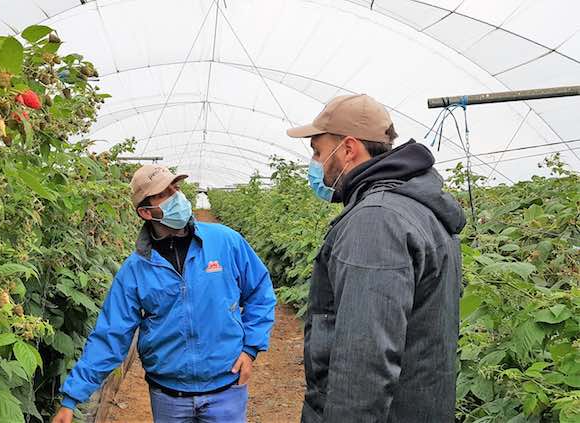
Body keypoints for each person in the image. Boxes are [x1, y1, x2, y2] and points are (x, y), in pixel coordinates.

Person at [286, 94, 466, 422]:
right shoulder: (417, 208)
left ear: (349, 148)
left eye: (317, 151)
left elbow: (363, 365)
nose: (314, 163)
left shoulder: (376, 219)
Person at [52, 165, 276, 423]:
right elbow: (110, 335)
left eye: (175, 188)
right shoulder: (135, 270)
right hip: (169, 396)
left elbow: (260, 290)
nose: (177, 196)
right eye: (164, 193)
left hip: (225, 388)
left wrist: (250, 349)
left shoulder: (225, 241)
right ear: (146, 212)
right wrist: (71, 399)